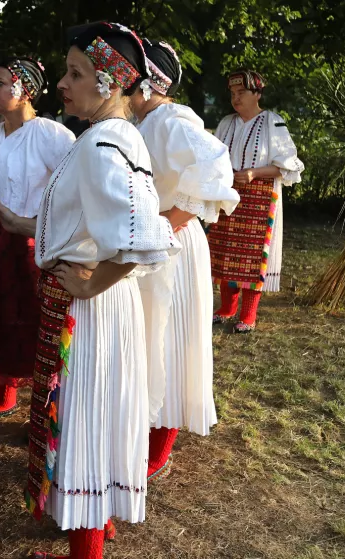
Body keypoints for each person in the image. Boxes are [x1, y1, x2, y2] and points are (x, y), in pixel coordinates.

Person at [0, 22, 179, 559]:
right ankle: (94, 528)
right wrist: (26, 226)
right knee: (91, 416)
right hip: (90, 301)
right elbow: (89, 222)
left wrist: (95, 282)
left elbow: (140, 237)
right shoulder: (109, 137)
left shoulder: (102, 145)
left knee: (84, 420)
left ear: (110, 82)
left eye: (76, 73)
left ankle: (87, 547)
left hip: (87, 309)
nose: (63, 85)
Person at [131, 40, 240, 481]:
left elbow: (215, 162)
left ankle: (161, 442)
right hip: (148, 239)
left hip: (171, 241)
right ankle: (141, 426)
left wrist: (170, 219)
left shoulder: (170, 119)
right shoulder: (142, 121)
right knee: (145, 335)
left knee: (169, 339)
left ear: (145, 81)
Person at [0, 57, 75, 423]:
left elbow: (71, 185)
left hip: (25, 238)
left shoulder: (49, 134)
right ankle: (7, 389)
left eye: (0, 84)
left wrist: (36, 223)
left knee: (28, 314)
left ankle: (42, 403)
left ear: (24, 90)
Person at [208, 69, 305, 333]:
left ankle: (248, 313)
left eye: (241, 93)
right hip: (227, 195)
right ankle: (227, 307)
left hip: (258, 199)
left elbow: (288, 167)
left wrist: (254, 173)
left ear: (257, 93)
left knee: (251, 255)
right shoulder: (226, 123)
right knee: (225, 251)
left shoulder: (273, 122)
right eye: (232, 94)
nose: (236, 99)